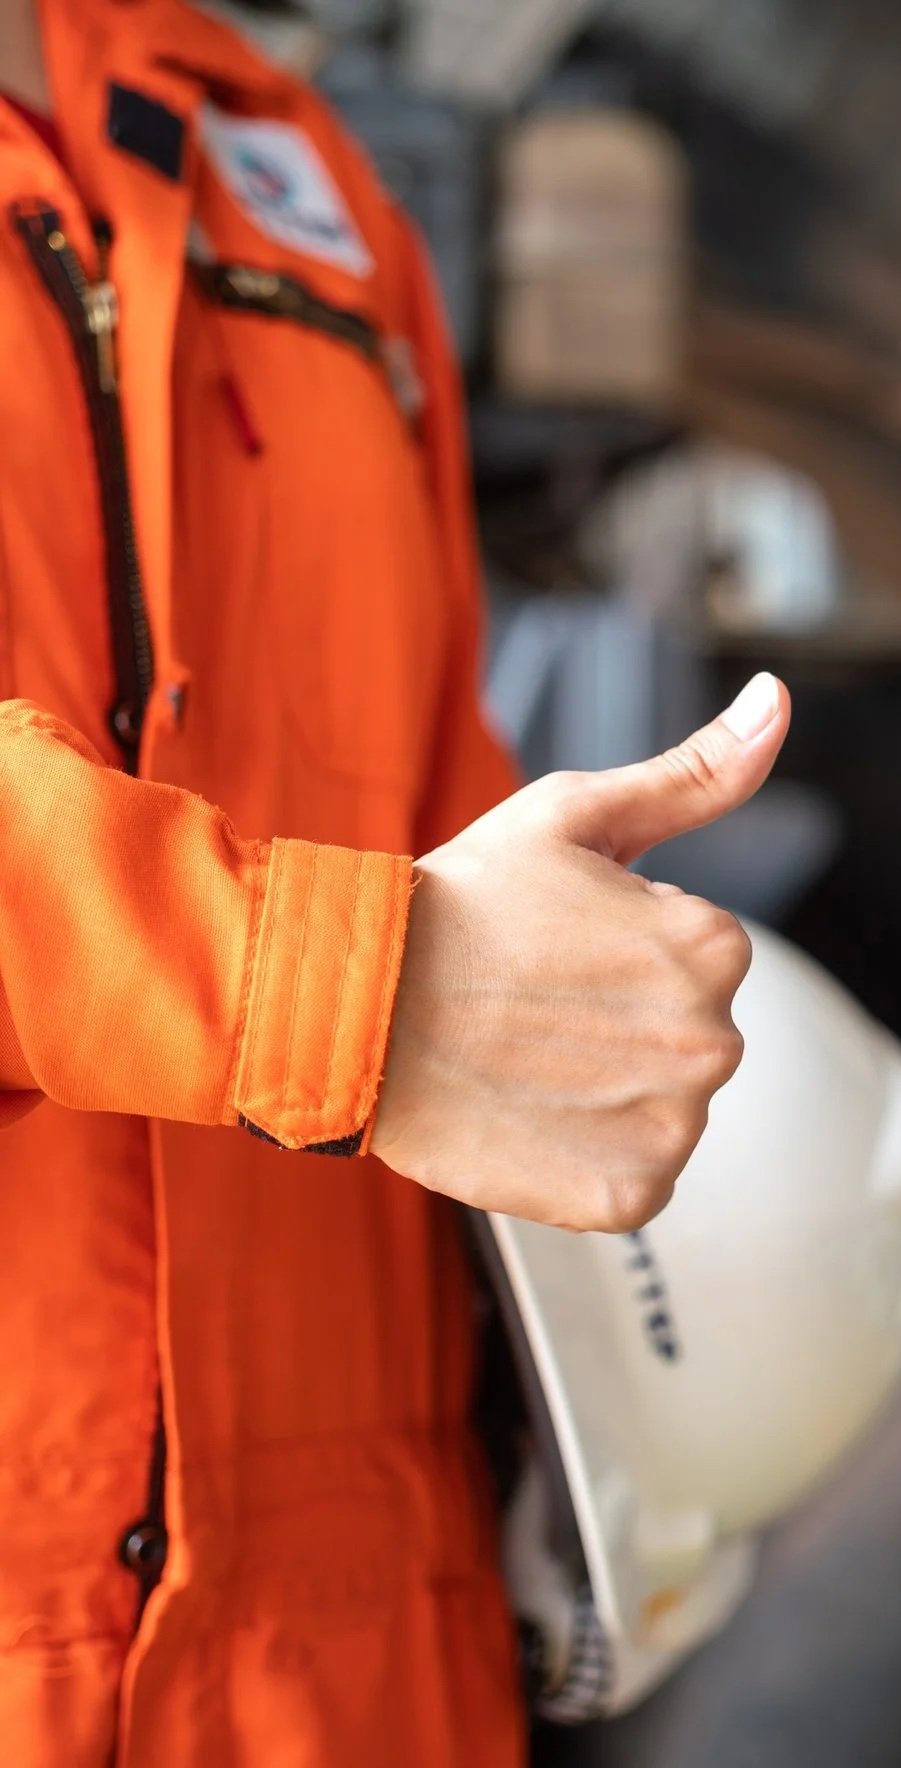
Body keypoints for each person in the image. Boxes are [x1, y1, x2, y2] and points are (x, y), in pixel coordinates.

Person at [0, 1, 790, 1761]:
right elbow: (394, 976)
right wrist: (341, 991)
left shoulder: (290, 171)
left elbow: (439, 817)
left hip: (362, 1667)